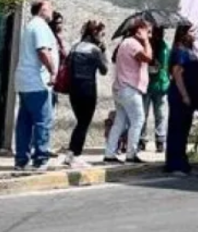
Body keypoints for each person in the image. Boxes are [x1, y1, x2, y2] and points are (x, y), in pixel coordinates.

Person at [14, 0, 58, 171]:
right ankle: (40, 158)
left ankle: (21, 160)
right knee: (42, 121)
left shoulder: (31, 25)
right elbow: (42, 51)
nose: (52, 11)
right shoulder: (40, 26)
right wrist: (53, 71)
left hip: (25, 81)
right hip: (38, 82)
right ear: (42, 9)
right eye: (50, 7)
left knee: (24, 122)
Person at [103, 18, 153, 164]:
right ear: (139, 31)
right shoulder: (133, 44)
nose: (150, 32)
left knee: (120, 122)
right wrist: (146, 41)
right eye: (147, 30)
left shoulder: (126, 43)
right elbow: (148, 58)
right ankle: (131, 153)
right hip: (129, 89)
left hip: (122, 88)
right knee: (138, 120)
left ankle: (109, 154)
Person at [63, 20, 109, 168]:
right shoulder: (94, 50)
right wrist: (103, 51)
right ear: (94, 33)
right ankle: (76, 155)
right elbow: (104, 70)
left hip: (73, 90)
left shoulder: (75, 47)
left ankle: (70, 154)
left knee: (80, 122)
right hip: (87, 89)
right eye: (102, 34)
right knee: (84, 123)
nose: (103, 37)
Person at [164, 25, 198, 176]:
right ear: (183, 34)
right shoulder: (180, 51)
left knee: (184, 130)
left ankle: (182, 162)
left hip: (190, 93)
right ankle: (174, 164)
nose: (194, 34)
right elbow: (177, 74)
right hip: (181, 95)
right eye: (191, 31)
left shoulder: (190, 51)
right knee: (177, 129)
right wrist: (185, 95)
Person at [140, 27, 169, 153]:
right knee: (143, 114)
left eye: (161, 32)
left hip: (160, 85)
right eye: (157, 32)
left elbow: (164, 64)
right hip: (147, 84)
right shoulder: (146, 45)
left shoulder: (164, 47)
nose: (159, 34)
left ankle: (160, 140)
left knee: (160, 114)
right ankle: (142, 140)